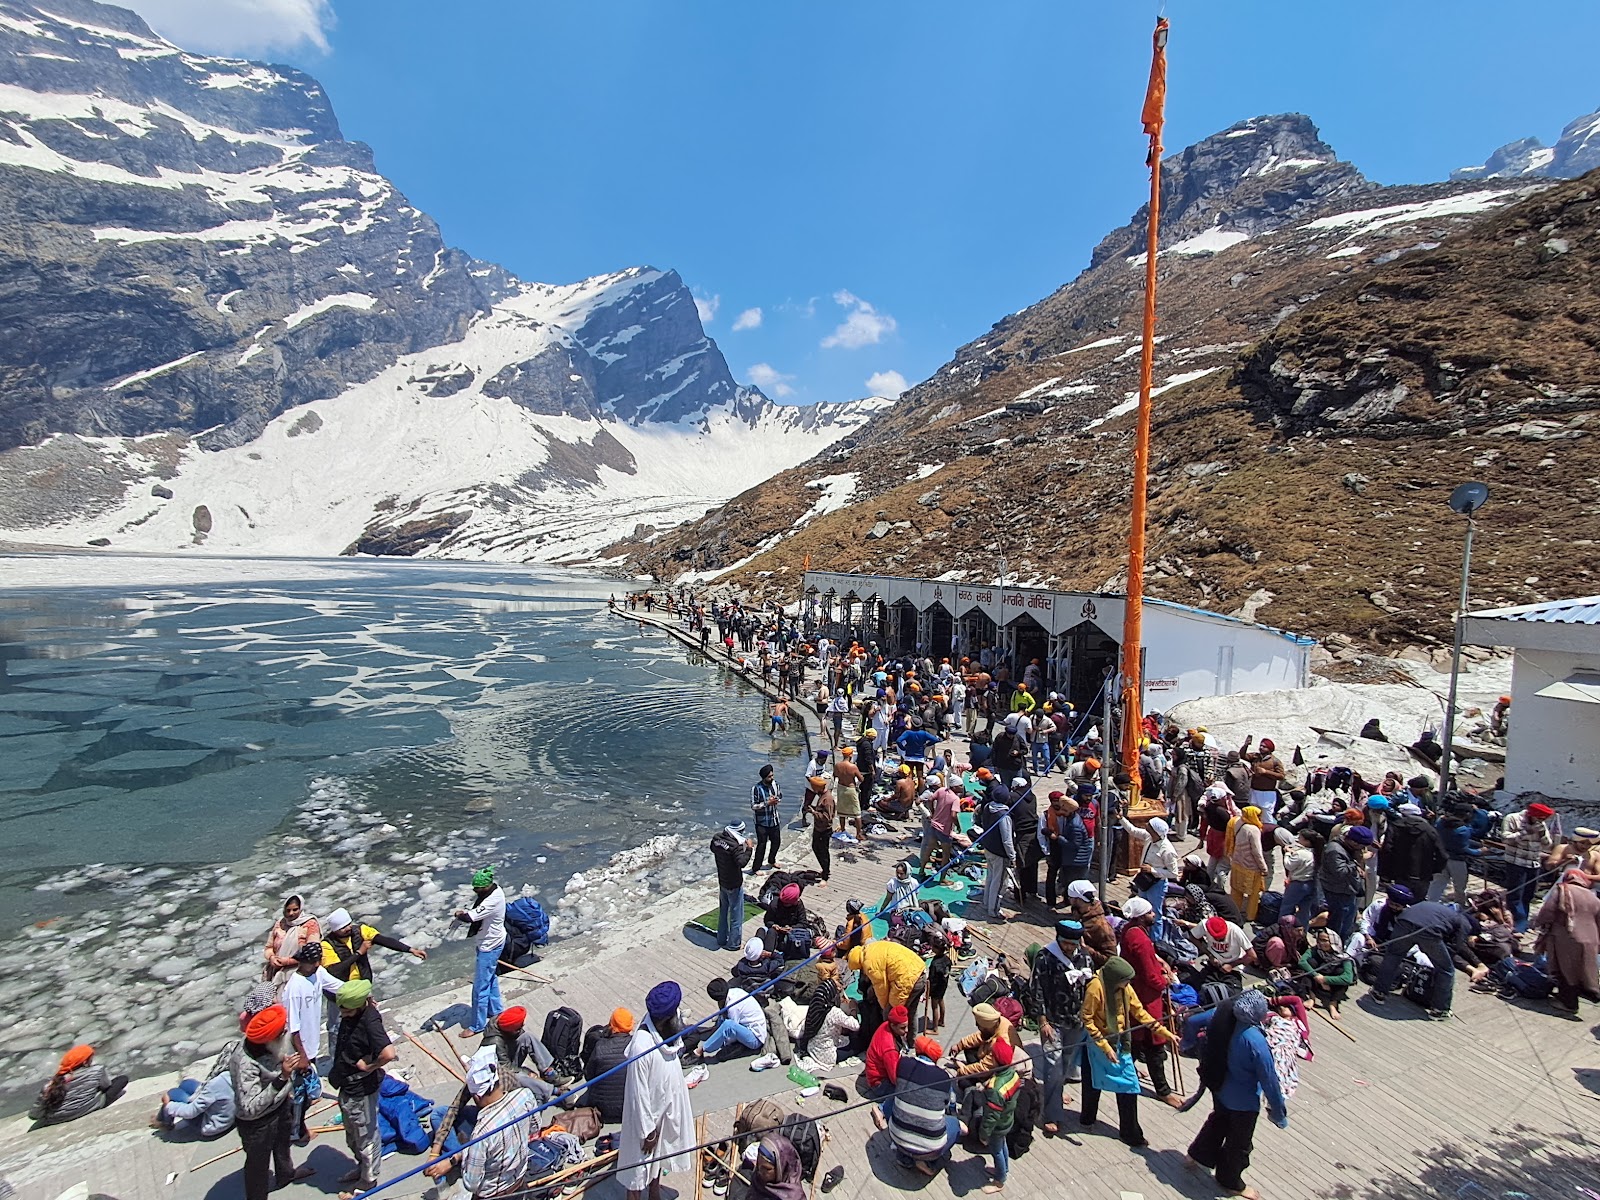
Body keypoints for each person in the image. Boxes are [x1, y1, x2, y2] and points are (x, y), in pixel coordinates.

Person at [1184, 991, 1287, 1200]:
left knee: (1218, 1121)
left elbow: (1193, 1021)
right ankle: (1230, 1181)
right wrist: (1279, 1114)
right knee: (1238, 1144)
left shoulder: (1221, 1015)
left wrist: (1187, 1046)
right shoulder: (1256, 1042)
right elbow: (1270, 1082)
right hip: (1244, 1101)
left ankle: (1198, 1155)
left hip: (1218, 1084)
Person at [424, 1047, 539, 1197]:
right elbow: (534, 1128)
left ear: (477, 1096)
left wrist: (454, 1159)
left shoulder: (481, 1133)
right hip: (517, 1175)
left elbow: (471, 1184)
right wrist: (434, 1152)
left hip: (494, 1192)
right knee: (440, 1115)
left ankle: (458, 1159)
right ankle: (461, 1157)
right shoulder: (526, 1095)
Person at [619, 982, 696, 1200]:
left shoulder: (666, 1027)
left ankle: (654, 1194)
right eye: (675, 1014)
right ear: (663, 1020)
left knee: (658, 1160)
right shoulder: (641, 1047)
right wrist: (648, 1131)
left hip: (665, 1106)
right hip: (646, 1119)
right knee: (636, 1168)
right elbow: (638, 1093)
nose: (678, 1017)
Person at [1080, 955, 1167, 1147]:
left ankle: (1130, 1132)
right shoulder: (1096, 988)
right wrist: (1104, 1046)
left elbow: (1139, 1011)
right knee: (1093, 1081)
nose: (1127, 984)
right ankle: (1087, 1118)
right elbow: (1087, 1018)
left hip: (1120, 1042)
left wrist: (1164, 1032)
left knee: (1128, 1085)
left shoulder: (1124, 987)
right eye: (1125, 981)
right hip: (1098, 1043)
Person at [230, 1004, 314, 1200]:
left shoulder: (272, 1046)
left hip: (280, 1106)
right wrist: (282, 1078)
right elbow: (250, 1107)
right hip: (257, 1123)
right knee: (257, 1166)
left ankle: (286, 1174)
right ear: (270, 1039)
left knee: (283, 1145)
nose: (287, 1033)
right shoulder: (246, 1063)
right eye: (282, 1032)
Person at [327, 979, 394, 1198]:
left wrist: (370, 1066)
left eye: (346, 1011)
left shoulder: (370, 1022)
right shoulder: (356, 1011)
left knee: (366, 1135)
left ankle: (369, 1180)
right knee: (352, 1135)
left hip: (360, 1088)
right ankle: (361, 1167)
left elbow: (388, 1053)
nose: (343, 1014)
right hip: (346, 1084)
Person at [1370, 900, 1488, 1019]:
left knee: (1394, 956)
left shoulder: (1447, 912)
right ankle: (1440, 1009)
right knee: (1446, 970)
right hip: (1428, 931)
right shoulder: (1467, 925)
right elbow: (1456, 947)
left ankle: (1379, 991)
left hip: (1404, 921)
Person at [1030, 920, 1093, 1135]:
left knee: (1065, 1064)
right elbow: (1036, 990)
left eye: (1073, 944)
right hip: (1053, 1021)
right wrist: (1042, 1021)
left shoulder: (1084, 956)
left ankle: (1055, 1093)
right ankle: (1052, 1114)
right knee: (1053, 1066)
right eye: (1066, 943)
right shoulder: (1045, 957)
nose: (1069, 948)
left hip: (1077, 1021)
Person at [1116, 898, 1180, 1108]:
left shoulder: (1130, 930)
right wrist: (1164, 981)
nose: (1154, 914)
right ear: (1142, 916)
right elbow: (1149, 975)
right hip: (1146, 999)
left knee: (1134, 1042)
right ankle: (1163, 1090)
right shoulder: (1140, 940)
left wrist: (1158, 962)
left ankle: (1124, 1071)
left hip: (1135, 994)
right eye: (1151, 912)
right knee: (1154, 1045)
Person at [875, 1035, 960, 1177]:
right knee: (955, 1125)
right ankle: (927, 1162)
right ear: (936, 1058)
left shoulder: (903, 1064)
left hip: (897, 1137)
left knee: (900, 1103)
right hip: (929, 1147)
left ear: (917, 1051)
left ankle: (905, 1159)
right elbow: (950, 1104)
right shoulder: (944, 1078)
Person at [282, 941, 342, 1136]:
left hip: (313, 1045)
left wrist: (362, 994)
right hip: (300, 1049)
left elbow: (338, 986)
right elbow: (293, 1028)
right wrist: (302, 1056)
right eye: (314, 962)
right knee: (300, 1095)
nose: (317, 965)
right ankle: (296, 1132)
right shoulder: (294, 988)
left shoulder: (318, 973)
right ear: (304, 962)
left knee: (307, 1092)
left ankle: (298, 1125)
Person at [1532, 867, 1600, 1017]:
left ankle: (1568, 1003)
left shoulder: (1563, 889)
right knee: (1582, 969)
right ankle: (1586, 991)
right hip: (1590, 939)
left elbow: (1548, 911)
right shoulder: (1594, 897)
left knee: (1566, 970)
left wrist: (1537, 923)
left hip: (1567, 937)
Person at [454, 867, 508, 1037]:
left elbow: (471, 917)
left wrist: (459, 914)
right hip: (490, 940)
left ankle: (477, 1025)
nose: (475, 892)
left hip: (490, 945)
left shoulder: (492, 900)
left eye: (477, 889)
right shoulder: (494, 891)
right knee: (490, 977)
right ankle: (496, 1010)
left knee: (480, 987)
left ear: (485, 887)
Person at [318, 907, 427, 986]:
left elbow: (384, 940)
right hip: (342, 988)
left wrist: (410, 950)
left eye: (349, 924)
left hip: (364, 983)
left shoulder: (360, 931)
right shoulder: (327, 945)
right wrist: (359, 953)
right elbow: (334, 970)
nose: (348, 928)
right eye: (343, 927)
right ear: (335, 930)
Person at [31, 1044, 127, 1126]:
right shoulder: (97, 1071)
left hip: (57, 1119)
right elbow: (106, 1086)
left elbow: (34, 1115)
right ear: (85, 1062)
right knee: (122, 1079)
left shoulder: (50, 1086)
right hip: (87, 1108)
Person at [849, 941, 928, 1040]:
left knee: (893, 1015)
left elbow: (881, 989)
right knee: (911, 1011)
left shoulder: (869, 964)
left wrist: (885, 1009)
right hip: (919, 969)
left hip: (907, 978)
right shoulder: (871, 948)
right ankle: (911, 1041)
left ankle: (891, 1042)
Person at [1500, 801, 1556, 931]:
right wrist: (1526, 832)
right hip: (1516, 861)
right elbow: (1505, 838)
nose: (1541, 821)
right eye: (1539, 818)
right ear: (1531, 815)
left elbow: (1548, 844)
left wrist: (1542, 833)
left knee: (1528, 894)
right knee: (1515, 893)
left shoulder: (1541, 824)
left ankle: (1523, 920)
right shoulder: (1512, 819)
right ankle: (1517, 923)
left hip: (1533, 863)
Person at [977, 1037, 1021, 1193]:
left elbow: (991, 1116)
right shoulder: (1014, 1074)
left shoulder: (995, 1088)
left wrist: (983, 1134)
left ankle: (999, 1181)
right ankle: (1004, 1169)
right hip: (1008, 1119)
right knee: (1002, 1145)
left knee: (996, 1150)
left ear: (996, 1060)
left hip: (998, 1125)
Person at [483, 1007, 556, 1101]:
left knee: (527, 1037)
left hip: (508, 1057)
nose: (522, 1027)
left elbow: (519, 1035)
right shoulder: (495, 1041)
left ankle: (548, 1072)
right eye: (518, 1028)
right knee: (521, 1076)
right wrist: (527, 1072)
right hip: (502, 1075)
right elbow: (506, 1068)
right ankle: (553, 1090)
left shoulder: (503, 1022)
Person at [1381, 803, 1447, 901]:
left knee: (1399, 902)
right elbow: (1442, 855)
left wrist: (1386, 873)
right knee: (1418, 904)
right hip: (1423, 875)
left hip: (1400, 873)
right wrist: (1433, 869)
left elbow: (1387, 850)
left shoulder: (1395, 827)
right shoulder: (1430, 830)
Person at [1320, 826, 1372, 942]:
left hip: (1348, 890)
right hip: (1337, 892)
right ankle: (1332, 946)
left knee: (1348, 923)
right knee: (1338, 924)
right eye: (1361, 845)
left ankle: (1343, 943)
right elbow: (1339, 871)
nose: (1362, 848)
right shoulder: (1334, 850)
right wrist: (1356, 862)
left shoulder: (1347, 847)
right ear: (1353, 841)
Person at [154, 1066, 236, 1140]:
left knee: (172, 1094)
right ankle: (163, 1118)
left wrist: (168, 1106)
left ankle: (165, 1123)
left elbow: (191, 1111)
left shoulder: (217, 1084)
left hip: (212, 1126)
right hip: (227, 1114)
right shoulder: (236, 1075)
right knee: (186, 1084)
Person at [696, 979, 769, 1060]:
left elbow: (731, 1031)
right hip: (750, 1025)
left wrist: (722, 1040)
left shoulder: (733, 1007)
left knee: (728, 1025)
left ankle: (701, 1050)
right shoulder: (736, 991)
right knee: (722, 1021)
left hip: (755, 1038)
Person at [262, 895, 320, 991]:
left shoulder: (310, 924)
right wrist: (272, 958)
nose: (291, 913)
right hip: (275, 971)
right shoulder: (280, 924)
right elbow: (269, 948)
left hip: (298, 973)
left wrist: (288, 961)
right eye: (288, 910)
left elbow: (313, 954)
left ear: (301, 908)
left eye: (295, 910)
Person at [711, 823, 754, 951]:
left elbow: (713, 849)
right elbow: (741, 863)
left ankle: (721, 938)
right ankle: (734, 944)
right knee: (736, 914)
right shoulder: (736, 846)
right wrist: (749, 849)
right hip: (734, 883)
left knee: (723, 911)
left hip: (722, 880)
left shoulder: (716, 838)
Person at [1300, 928, 1356, 1017]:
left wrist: (1325, 980)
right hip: (1316, 981)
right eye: (1319, 940)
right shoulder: (1316, 950)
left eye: (1325, 940)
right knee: (1311, 962)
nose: (1321, 943)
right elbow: (1302, 962)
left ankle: (1333, 1004)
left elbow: (1348, 978)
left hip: (1331, 985)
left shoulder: (1344, 958)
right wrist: (1316, 976)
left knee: (1340, 971)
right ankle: (1312, 997)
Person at [1226, 806, 1268, 921]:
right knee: (1253, 894)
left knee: (1236, 890)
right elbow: (1257, 852)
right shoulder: (1253, 830)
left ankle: (1234, 912)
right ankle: (1250, 915)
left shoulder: (1238, 822)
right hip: (1251, 867)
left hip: (1237, 862)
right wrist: (1264, 868)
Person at [1066, 880, 1118, 966]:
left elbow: (1111, 960)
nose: (1069, 900)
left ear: (1077, 899)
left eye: (1070, 897)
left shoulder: (1102, 926)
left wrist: (1085, 948)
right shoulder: (1078, 912)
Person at [865, 1004, 911, 1095]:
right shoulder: (890, 1049)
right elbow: (894, 1079)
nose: (906, 1030)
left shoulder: (886, 1024)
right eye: (902, 1028)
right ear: (893, 1025)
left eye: (906, 1026)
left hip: (874, 1073)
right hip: (879, 1083)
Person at [1280, 829, 1321, 924]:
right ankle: (1301, 933)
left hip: (1298, 885)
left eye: (1300, 838)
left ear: (1307, 841)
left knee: (1286, 908)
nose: (1298, 840)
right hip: (1310, 884)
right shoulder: (1316, 852)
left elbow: (1288, 865)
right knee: (1305, 912)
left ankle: (1282, 930)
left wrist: (1287, 853)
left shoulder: (1301, 854)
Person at [750, 1132, 807, 1200]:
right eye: (759, 1164)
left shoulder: (794, 1197)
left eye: (767, 1169)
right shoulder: (758, 1180)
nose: (760, 1171)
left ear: (782, 1168)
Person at [803, 776, 837, 883]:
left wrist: (813, 812)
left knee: (823, 851)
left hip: (824, 830)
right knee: (816, 847)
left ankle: (825, 875)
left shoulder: (827, 799)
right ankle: (824, 869)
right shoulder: (822, 796)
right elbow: (821, 811)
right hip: (818, 828)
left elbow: (827, 818)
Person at [751, 765, 784, 872]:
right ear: (764, 777)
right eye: (769, 777)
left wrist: (776, 800)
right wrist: (767, 803)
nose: (772, 778)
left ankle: (771, 860)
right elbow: (753, 806)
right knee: (761, 845)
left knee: (776, 842)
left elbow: (780, 796)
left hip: (774, 819)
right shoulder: (756, 789)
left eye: (772, 775)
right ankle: (756, 868)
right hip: (762, 822)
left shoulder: (776, 785)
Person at [833, 748, 866, 842]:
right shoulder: (853, 767)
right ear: (850, 755)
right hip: (850, 789)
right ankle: (858, 833)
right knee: (856, 812)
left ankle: (843, 829)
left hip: (841, 788)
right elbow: (861, 779)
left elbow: (835, 775)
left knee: (841, 811)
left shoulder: (837, 765)